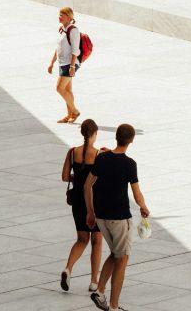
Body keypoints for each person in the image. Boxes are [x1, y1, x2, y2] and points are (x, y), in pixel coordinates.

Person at [83, 123, 149, 311]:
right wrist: (144, 207)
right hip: (119, 218)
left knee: (115, 253)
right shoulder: (129, 164)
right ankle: (113, 306)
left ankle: (99, 292)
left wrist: (90, 211)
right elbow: (137, 195)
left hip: (101, 216)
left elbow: (87, 185)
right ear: (131, 140)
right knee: (123, 259)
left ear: (116, 137)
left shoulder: (102, 158)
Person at [60, 119, 103, 299]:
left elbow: (64, 177)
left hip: (78, 200)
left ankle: (68, 268)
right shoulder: (99, 155)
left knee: (82, 239)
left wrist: (78, 176)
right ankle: (94, 280)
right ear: (94, 134)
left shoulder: (72, 153)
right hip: (95, 201)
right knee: (97, 240)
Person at [48, 7, 84, 123]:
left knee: (59, 88)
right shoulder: (62, 29)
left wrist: (72, 67)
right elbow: (58, 47)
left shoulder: (73, 31)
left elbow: (75, 50)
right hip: (62, 63)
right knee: (67, 91)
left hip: (69, 64)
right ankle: (69, 115)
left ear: (69, 17)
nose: (59, 17)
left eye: (62, 15)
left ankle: (75, 111)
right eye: (59, 15)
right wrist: (51, 63)